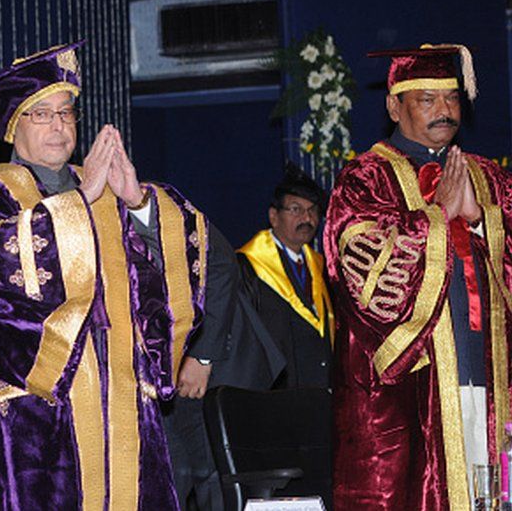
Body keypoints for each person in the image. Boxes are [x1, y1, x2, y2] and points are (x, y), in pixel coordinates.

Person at [0, 41, 207, 510]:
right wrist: (78, 201)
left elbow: (168, 277)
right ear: (10, 126)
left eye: (66, 112)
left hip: (120, 396)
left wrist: (139, 206)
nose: (59, 125)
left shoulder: (107, 189)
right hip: (34, 413)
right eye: (40, 114)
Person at [325, 44, 512, 509]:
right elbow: (358, 268)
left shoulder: (488, 177)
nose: (444, 111)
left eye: (450, 99)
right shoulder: (366, 178)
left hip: (489, 370)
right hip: (412, 385)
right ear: (394, 105)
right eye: (427, 100)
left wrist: (480, 216)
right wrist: (437, 217)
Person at [162, 222, 285, 511]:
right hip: (162, 375)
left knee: (214, 481)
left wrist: (203, 355)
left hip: (211, 368)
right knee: (171, 480)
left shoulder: (155, 203)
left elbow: (220, 264)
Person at [237, 163, 333, 389]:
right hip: (275, 391)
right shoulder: (248, 266)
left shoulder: (321, 266)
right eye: (296, 209)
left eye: (312, 210)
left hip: (319, 390)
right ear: (274, 216)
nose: (306, 218)